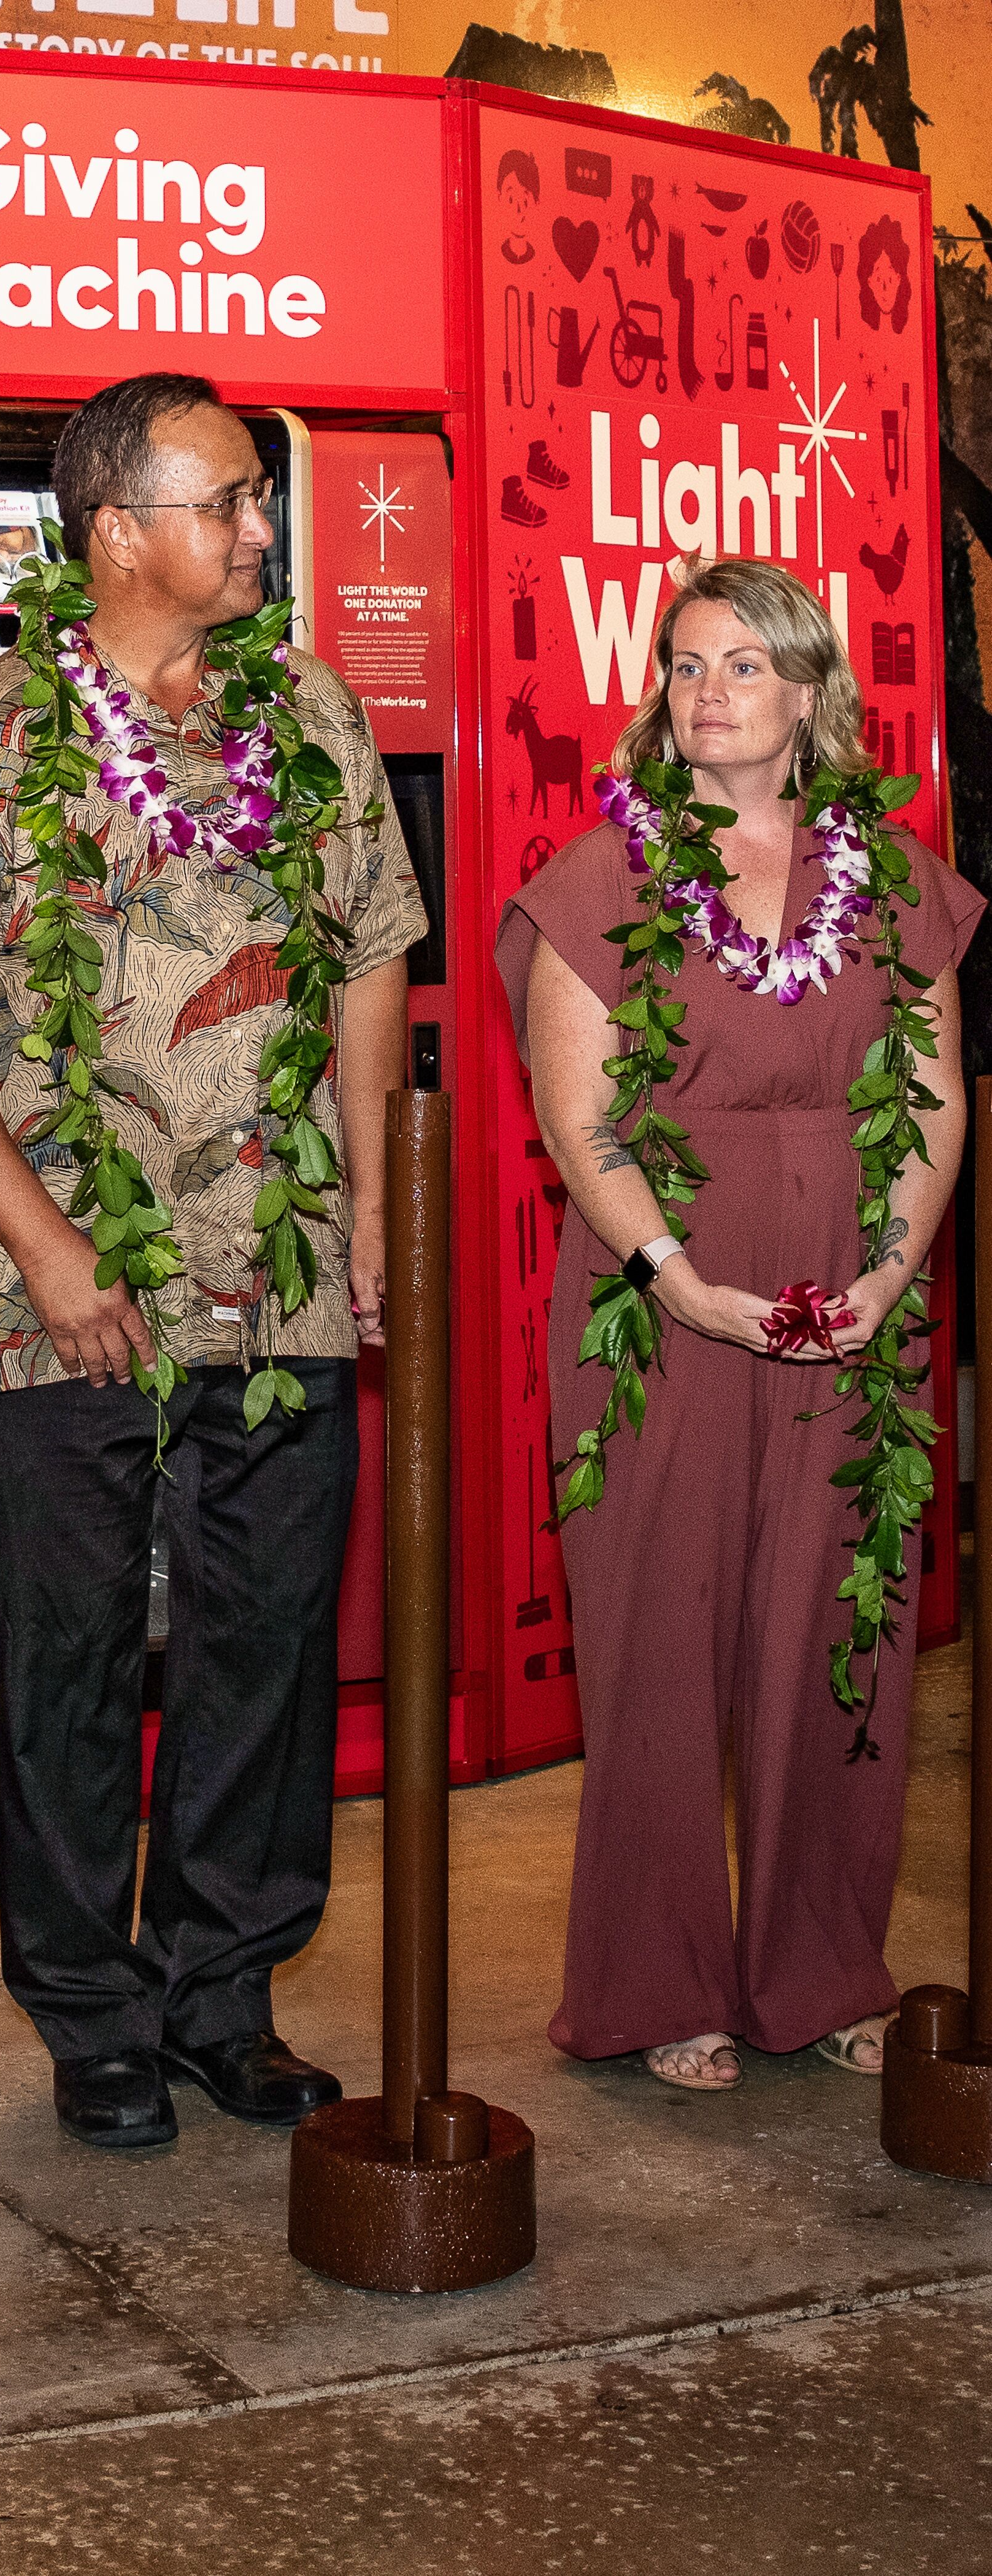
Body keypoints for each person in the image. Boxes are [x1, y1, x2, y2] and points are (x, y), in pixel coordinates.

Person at [0, 373, 424, 2150]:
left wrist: (376, 1226)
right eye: (232, 500)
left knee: (264, 1647)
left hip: (282, 1273)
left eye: (260, 500)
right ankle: (90, 2011)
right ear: (115, 533)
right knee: (70, 1659)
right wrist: (47, 1242)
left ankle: (224, 1992)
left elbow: (367, 964)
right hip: (52, 1300)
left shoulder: (308, 711)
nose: (264, 530)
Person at [500, 556, 973, 2093]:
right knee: (654, 1644)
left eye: (743, 667)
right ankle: (654, 1986)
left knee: (838, 1634)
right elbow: (577, 1128)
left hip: (856, 1288)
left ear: (807, 694)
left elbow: (932, 1095)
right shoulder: (598, 879)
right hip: (660, 1305)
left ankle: (823, 1965)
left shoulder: (891, 881)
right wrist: (675, 1282)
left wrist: (896, 1272)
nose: (707, 693)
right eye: (686, 666)